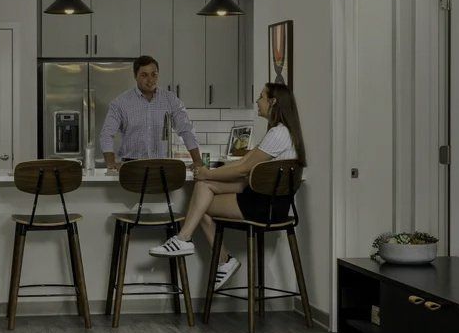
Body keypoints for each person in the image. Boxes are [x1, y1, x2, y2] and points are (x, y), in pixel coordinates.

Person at [149, 83, 305, 292]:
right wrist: (208, 173)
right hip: (272, 203)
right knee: (203, 191)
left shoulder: (278, 133)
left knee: (201, 202)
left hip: (265, 205)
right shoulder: (281, 132)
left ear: (273, 102)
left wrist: (208, 174)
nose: (257, 101)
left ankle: (193, 243)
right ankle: (198, 247)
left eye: (261, 97)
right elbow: (243, 163)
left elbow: (243, 170)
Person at [98, 56, 204, 172]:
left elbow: (185, 129)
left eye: (154, 74)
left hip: (162, 166)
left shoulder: (171, 100)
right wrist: (111, 163)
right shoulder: (120, 103)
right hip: (131, 167)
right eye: (144, 75)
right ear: (135, 76)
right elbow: (107, 134)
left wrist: (197, 160)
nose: (150, 80)